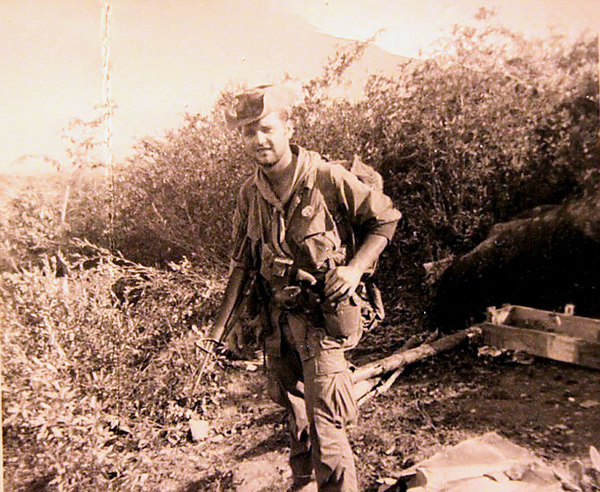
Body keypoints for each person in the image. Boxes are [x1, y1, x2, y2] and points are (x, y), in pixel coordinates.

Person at [212, 84, 401, 492]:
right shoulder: (250, 193)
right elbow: (243, 261)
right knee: (295, 418)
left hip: (322, 321)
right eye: (248, 132)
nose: (258, 140)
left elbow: (385, 221)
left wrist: (353, 270)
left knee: (328, 426)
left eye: (266, 128)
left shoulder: (327, 178)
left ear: (288, 128)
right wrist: (218, 330)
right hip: (278, 325)